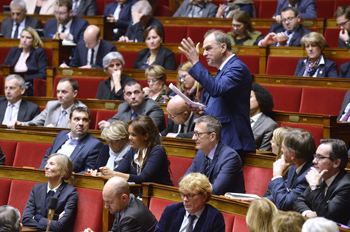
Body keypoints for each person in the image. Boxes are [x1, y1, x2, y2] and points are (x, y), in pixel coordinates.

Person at [179, 29, 255, 155]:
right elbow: (223, 101)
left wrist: (195, 62)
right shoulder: (224, 69)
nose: (204, 54)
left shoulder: (237, 67)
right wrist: (205, 110)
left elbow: (216, 89)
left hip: (231, 140)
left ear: (223, 47)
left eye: (208, 48)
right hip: (220, 139)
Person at [99, 115, 173, 186]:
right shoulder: (133, 150)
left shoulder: (157, 151)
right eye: (129, 134)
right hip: (140, 194)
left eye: (133, 135)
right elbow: (119, 171)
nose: (129, 138)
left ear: (146, 136)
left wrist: (112, 173)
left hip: (161, 196)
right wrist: (100, 174)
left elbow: (143, 178)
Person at [183, 115, 245, 195]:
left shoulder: (230, 157)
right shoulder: (200, 154)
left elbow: (216, 190)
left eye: (198, 134)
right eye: (194, 133)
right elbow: (183, 181)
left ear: (212, 136)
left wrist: (192, 187)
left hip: (225, 205)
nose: (193, 138)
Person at [294, 139, 350, 225]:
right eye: (315, 156)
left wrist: (314, 186)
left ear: (336, 162)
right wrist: (307, 213)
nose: (314, 161)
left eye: (320, 157)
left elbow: (325, 216)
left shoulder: (346, 186)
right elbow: (299, 201)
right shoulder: (320, 177)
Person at [22, 154, 78, 232]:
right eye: (47, 163)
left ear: (63, 171)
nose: (46, 167)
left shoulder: (70, 192)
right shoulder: (37, 188)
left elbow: (60, 226)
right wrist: (51, 223)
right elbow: (26, 219)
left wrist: (37, 218)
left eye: (51, 164)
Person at [39, 107, 103, 174]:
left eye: (85, 120)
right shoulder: (61, 135)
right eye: (76, 119)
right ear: (69, 122)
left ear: (88, 123)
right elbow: (47, 156)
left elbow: (88, 172)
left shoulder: (94, 145)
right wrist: (43, 173)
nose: (81, 123)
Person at [154, 173, 225, 232]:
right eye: (183, 195)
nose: (185, 199)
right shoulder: (171, 210)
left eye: (190, 195)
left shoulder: (214, 218)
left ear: (204, 196)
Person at [265, 128, 315, 210]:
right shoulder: (293, 167)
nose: (281, 150)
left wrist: (277, 175)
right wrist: (260, 201)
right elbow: (281, 194)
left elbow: (284, 204)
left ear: (292, 155)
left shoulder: (309, 175)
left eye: (283, 148)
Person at [83, 177, 157, 232]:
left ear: (124, 198)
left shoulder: (130, 218)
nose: (106, 206)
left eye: (109, 202)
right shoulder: (124, 203)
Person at [9, 78, 87, 128]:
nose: (59, 95)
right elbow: (35, 123)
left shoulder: (80, 109)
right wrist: (21, 124)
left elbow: (77, 132)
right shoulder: (51, 105)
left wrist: (54, 131)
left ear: (74, 93)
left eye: (64, 92)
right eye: (58, 91)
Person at [98, 80, 166, 132]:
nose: (133, 97)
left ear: (143, 93)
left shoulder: (153, 107)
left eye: (136, 92)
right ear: (124, 96)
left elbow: (145, 130)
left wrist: (115, 128)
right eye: (129, 93)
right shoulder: (124, 107)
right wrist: (109, 126)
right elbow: (110, 122)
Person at [3, 27, 48, 96]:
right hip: (11, 83)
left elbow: (43, 74)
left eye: (28, 38)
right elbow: (4, 68)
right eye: (22, 37)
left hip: (28, 84)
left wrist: (23, 79)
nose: (24, 40)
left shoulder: (39, 52)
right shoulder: (14, 50)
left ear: (34, 40)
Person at [250, 83, 278, 151]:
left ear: (260, 99)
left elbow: (263, 154)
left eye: (249, 97)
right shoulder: (237, 120)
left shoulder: (270, 125)